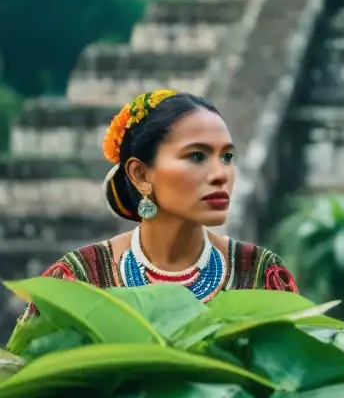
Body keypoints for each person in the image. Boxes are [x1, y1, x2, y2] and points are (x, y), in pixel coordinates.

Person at [14, 90, 297, 318]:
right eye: (197, 156)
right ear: (140, 174)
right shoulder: (79, 278)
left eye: (227, 157)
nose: (221, 174)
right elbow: (30, 378)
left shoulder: (261, 275)